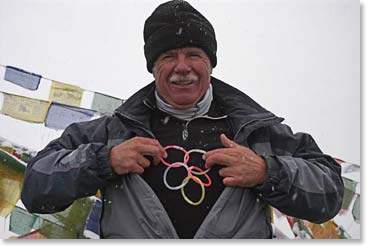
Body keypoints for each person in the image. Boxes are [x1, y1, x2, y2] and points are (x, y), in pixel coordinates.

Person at [21, 0, 344, 239]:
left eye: (193, 55)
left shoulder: (257, 133)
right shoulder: (112, 132)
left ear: (210, 63)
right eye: (167, 57)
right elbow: (35, 188)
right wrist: (103, 161)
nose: (182, 67)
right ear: (153, 67)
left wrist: (266, 171)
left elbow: (329, 194)